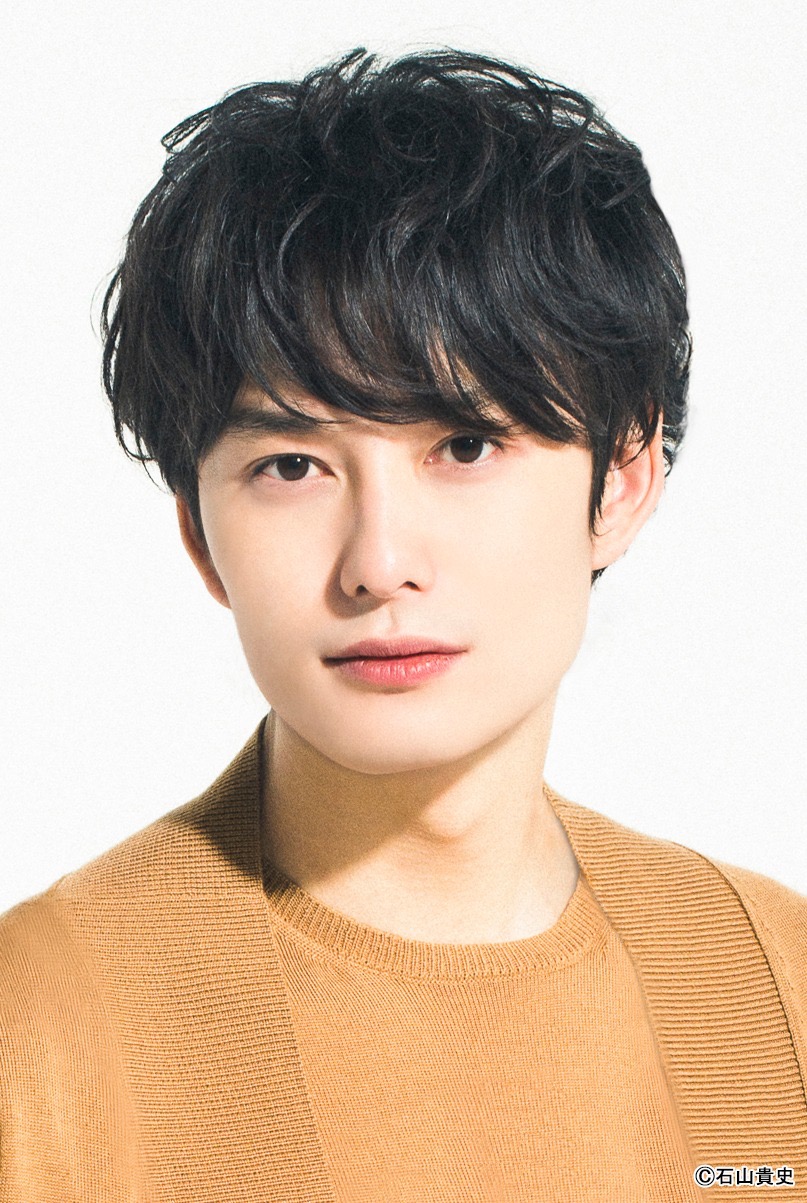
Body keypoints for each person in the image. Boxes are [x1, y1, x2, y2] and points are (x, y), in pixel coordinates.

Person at [1, 46, 805, 1203]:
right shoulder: (47, 1022)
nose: (379, 564)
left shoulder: (774, 982)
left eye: (464, 447)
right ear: (199, 534)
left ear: (623, 480)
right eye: (291, 466)